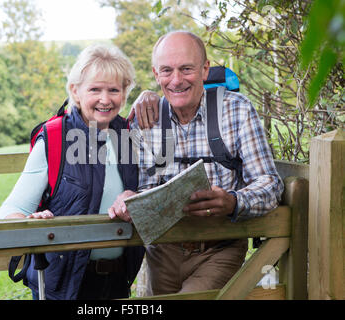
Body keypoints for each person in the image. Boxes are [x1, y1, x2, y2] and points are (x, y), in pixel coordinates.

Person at [108, 31, 284, 295]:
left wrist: (235, 201)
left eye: (186, 69)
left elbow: (270, 183)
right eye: (166, 71)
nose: (176, 80)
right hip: (163, 251)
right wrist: (131, 199)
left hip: (220, 248)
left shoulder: (236, 110)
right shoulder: (147, 120)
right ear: (156, 75)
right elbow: (147, 187)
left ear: (204, 69)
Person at [0, 44, 145, 300]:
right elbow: (11, 210)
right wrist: (31, 222)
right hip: (62, 287)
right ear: (76, 91)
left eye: (114, 90)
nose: (105, 99)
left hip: (117, 283)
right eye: (95, 89)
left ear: (125, 92)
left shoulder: (131, 136)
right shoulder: (56, 138)